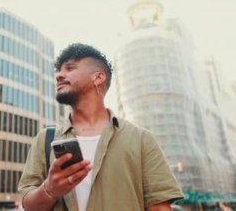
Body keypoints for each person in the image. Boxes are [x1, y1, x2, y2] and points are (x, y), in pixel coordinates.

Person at [18, 43, 183, 211]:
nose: (59, 75)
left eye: (70, 68)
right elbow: (28, 205)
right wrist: (50, 189)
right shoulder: (45, 139)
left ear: (98, 77)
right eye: (59, 70)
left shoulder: (141, 139)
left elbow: (159, 207)